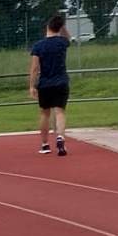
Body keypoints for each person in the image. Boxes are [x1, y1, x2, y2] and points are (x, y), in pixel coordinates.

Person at [29, 13, 71, 157]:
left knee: (44, 113)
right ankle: (60, 137)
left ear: (47, 27)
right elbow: (68, 38)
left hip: (45, 83)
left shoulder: (38, 46)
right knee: (60, 112)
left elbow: (35, 68)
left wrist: (32, 85)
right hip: (61, 81)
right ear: (60, 28)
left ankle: (45, 144)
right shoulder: (62, 43)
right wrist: (62, 26)